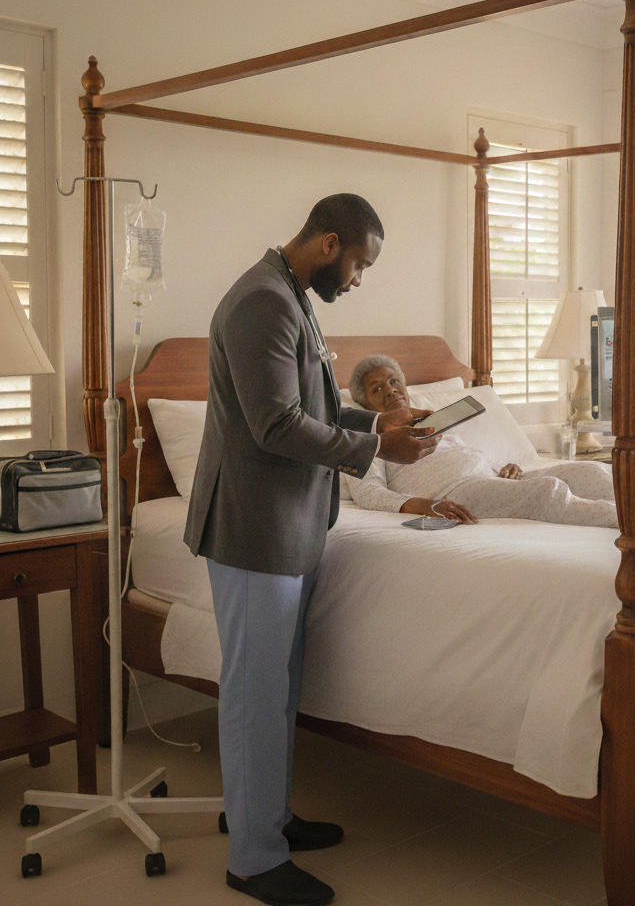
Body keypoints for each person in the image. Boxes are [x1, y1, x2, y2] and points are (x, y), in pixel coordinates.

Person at [183, 195, 439, 906]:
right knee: (255, 692)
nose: (358, 280)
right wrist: (374, 446)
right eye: (359, 263)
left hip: (287, 528)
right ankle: (253, 858)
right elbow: (274, 425)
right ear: (330, 243)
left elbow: (314, 408)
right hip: (253, 528)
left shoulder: (289, 295)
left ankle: (264, 817)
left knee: (277, 689)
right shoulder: (262, 302)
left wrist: (380, 419)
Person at [346, 354, 635, 535]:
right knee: (546, 492)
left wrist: (499, 470)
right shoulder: (367, 438)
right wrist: (422, 505)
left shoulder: (433, 425)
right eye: (377, 389)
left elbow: (468, 461)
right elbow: (368, 492)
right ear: (365, 404)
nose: (389, 391)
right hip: (449, 495)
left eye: (394, 381)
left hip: (484, 481)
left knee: (588, 471)